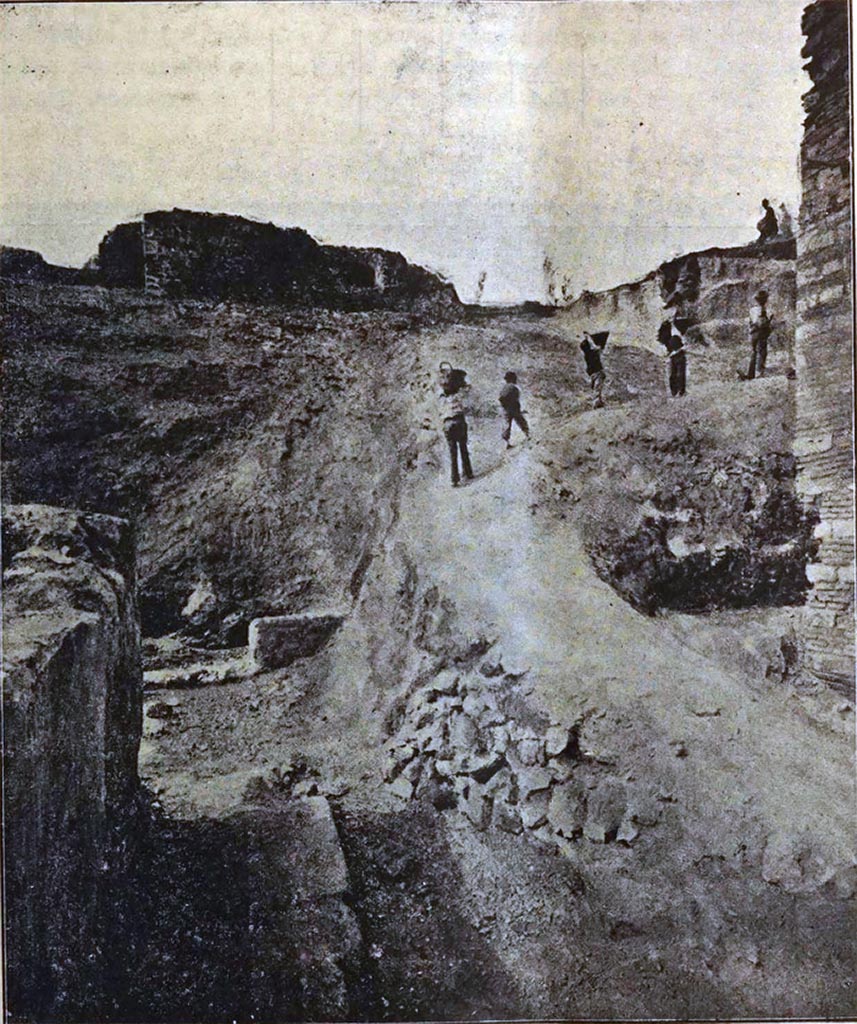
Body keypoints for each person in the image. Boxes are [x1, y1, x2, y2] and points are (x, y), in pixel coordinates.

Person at [439, 368, 473, 487]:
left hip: (447, 424)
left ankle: (454, 479)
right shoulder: (459, 396)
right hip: (459, 421)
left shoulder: (442, 398)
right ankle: (468, 472)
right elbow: (466, 405)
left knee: (452, 452)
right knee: (463, 448)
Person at [499, 371, 530, 448]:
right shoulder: (511, 387)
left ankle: (506, 444)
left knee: (507, 426)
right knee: (521, 422)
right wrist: (509, 405)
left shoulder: (505, 387)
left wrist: (505, 406)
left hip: (509, 409)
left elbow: (501, 398)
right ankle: (528, 435)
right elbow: (502, 398)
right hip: (512, 409)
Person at [658, 318, 687, 396]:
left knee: (677, 373)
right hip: (676, 354)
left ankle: (677, 391)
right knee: (677, 373)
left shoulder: (674, 328)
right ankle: (678, 391)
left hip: (676, 354)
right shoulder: (671, 328)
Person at [747, 289, 772, 379]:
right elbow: (762, 323)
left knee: (754, 352)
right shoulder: (765, 310)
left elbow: (751, 322)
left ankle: (751, 373)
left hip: (753, 333)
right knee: (762, 352)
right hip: (761, 333)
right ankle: (759, 371)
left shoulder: (752, 310)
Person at [580, 331, 608, 409]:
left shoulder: (587, 352)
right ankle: (596, 402)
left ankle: (598, 401)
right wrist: (588, 336)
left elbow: (593, 346)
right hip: (596, 370)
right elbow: (594, 347)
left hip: (592, 370)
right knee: (598, 384)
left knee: (596, 384)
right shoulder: (592, 352)